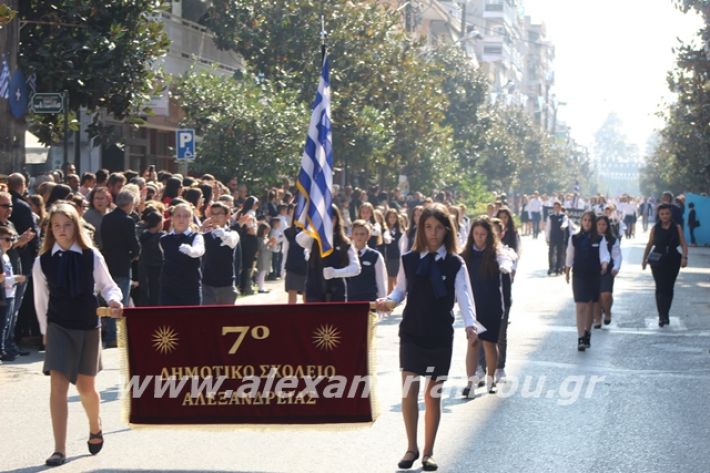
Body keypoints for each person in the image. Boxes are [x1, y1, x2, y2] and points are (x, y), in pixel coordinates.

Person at [375, 204, 482, 472]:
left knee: (433, 395)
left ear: (447, 230)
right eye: (428, 227)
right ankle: (411, 448)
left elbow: (465, 298)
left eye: (438, 228)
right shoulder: (409, 259)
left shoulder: (456, 263)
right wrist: (387, 302)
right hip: (412, 332)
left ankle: (428, 452)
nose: (433, 233)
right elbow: (399, 291)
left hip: (439, 335)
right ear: (421, 229)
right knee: (409, 391)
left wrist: (471, 326)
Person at [32, 202, 123, 467]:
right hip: (58, 326)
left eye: (67, 224)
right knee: (57, 385)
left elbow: (108, 286)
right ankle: (59, 449)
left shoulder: (91, 255)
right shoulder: (42, 261)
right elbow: (41, 300)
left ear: (76, 226)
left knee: (86, 388)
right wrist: (44, 331)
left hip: (87, 325)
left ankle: (95, 426)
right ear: (50, 229)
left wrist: (115, 300)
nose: (62, 230)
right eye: (56, 225)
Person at [461, 217, 514, 396]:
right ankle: (470, 383)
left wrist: (505, 267)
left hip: (492, 305)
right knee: (473, 342)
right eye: (476, 234)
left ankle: (491, 379)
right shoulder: (466, 254)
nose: (479, 238)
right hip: (473, 306)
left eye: (483, 234)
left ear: (489, 235)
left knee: (490, 344)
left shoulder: (497, 252)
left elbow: (507, 260)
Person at [565, 211, 610, 351]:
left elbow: (604, 254)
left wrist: (604, 264)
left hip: (593, 275)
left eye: (590, 220)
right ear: (581, 222)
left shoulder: (600, 239)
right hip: (578, 274)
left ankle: (587, 332)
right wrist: (567, 272)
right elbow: (569, 256)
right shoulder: (574, 238)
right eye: (584, 220)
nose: (587, 223)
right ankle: (580, 338)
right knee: (580, 305)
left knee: (590, 304)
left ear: (593, 222)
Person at [100, 189, 139, 347]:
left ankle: (110, 335)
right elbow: (134, 244)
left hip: (108, 263)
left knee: (110, 299)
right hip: (123, 263)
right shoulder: (127, 220)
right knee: (120, 300)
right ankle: (114, 336)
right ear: (130, 204)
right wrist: (135, 254)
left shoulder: (107, 218)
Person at [296, 204, 360, 302]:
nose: (327, 221)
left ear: (337, 220)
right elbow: (299, 239)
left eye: (331, 218)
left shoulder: (344, 242)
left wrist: (336, 273)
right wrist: (314, 226)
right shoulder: (313, 240)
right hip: (314, 291)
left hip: (337, 292)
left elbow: (356, 268)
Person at [642, 203, 688, 327]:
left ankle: (666, 313)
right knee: (660, 286)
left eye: (667, 213)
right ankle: (662, 315)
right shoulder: (655, 228)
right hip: (657, 259)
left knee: (669, 287)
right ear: (659, 215)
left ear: (671, 214)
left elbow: (683, 243)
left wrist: (684, 257)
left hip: (673, 259)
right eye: (662, 214)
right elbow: (650, 244)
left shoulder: (677, 227)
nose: (665, 216)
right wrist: (644, 259)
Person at [159, 203, 205, 306]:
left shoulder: (196, 237)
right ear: (172, 218)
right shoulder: (164, 239)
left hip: (190, 288)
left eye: (186, 216)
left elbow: (200, 250)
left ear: (191, 218)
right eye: (178, 215)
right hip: (169, 289)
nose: (181, 219)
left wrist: (191, 251)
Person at [201, 202, 240, 304]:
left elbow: (231, 241)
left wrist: (221, 233)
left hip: (226, 285)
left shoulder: (233, 233)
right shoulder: (205, 235)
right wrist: (202, 228)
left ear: (227, 216)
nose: (215, 217)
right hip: (207, 285)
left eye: (219, 214)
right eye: (213, 214)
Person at [0, 226, 27, 361]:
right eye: (6, 239)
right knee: (2, 325)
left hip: (10, 293)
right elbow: (2, 279)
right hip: (3, 295)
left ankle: (4, 348)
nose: (10, 242)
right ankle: (2, 350)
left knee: (7, 323)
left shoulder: (5, 256)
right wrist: (16, 279)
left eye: (12, 239)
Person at [346, 220, 387, 302]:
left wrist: (382, 300)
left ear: (368, 236)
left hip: (370, 300)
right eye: (356, 234)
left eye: (362, 234)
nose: (359, 237)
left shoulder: (375, 255)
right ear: (352, 236)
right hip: (351, 300)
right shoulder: (347, 254)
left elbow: (381, 281)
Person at [593, 216, 621, 328]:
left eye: (603, 224)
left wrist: (616, 267)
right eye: (599, 224)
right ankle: (598, 318)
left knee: (606, 294)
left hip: (608, 270)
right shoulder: (591, 237)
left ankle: (607, 312)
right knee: (596, 296)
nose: (601, 227)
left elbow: (617, 255)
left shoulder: (613, 239)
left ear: (607, 226)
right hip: (593, 270)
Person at [137, 209, 164, 307]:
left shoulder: (141, 235)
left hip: (144, 267)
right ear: (159, 223)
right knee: (156, 295)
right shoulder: (162, 237)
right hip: (158, 269)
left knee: (144, 294)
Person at [281, 217, 307, 304]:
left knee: (307, 298)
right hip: (292, 268)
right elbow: (287, 232)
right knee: (292, 298)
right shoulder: (290, 232)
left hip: (307, 267)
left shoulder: (312, 232)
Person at [546, 201, 568, 275]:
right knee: (551, 252)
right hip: (553, 236)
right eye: (555, 207)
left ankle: (558, 268)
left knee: (559, 252)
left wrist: (563, 226)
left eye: (557, 207)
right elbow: (548, 228)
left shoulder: (563, 216)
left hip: (560, 237)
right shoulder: (550, 217)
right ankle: (551, 267)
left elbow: (566, 222)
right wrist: (547, 238)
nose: (556, 209)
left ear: (560, 207)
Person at [384, 209, 404, 293]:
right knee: (389, 278)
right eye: (390, 217)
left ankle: (396, 296)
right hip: (386, 256)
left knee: (395, 277)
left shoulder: (400, 231)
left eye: (394, 217)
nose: (392, 219)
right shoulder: (384, 228)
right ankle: (389, 295)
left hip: (396, 256)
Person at [255, 222, 274, 294]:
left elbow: (268, 247)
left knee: (263, 273)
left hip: (266, 257)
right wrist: (269, 242)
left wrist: (272, 244)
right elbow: (261, 248)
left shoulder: (265, 238)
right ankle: (260, 288)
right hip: (262, 257)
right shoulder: (259, 238)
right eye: (266, 230)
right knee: (261, 273)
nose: (267, 232)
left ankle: (261, 287)